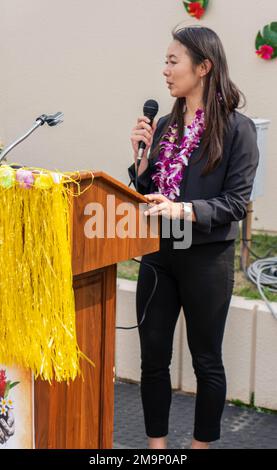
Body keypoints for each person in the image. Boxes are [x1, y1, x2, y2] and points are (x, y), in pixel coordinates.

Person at [128, 25, 259, 449]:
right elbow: (149, 190)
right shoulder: (165, 124)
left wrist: (185, 209)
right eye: (165, 61)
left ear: (203, 67)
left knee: (207, 362)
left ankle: (200, 448)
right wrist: (141, 158)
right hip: (159, 253)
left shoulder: (237, 130)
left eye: (173, 61)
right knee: (152, 360)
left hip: (206, 256)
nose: (165, 70)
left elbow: (236, 203)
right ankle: (157, 449)